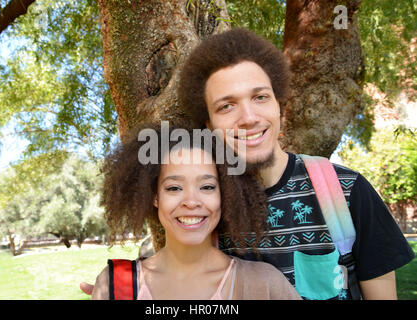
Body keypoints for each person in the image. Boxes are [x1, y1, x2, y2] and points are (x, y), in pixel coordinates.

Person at [81, 28, 414, 300]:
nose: (249, 118)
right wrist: (120, 288)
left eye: (260, 97)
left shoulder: (345, 190)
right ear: (208, 125)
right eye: (227, 106)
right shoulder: (205, 207)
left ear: (279, 105)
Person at [91, 123, 301, 300]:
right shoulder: (115, 285)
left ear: (225, 195)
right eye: (174, 188)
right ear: (155, 196)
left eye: (207, 187)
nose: (191, 202)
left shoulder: (265, 285)